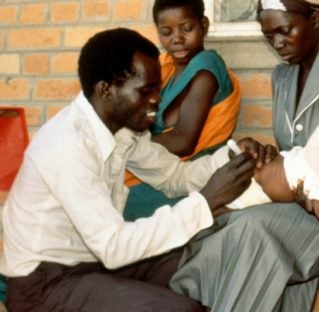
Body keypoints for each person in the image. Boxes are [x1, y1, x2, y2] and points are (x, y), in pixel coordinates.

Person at [0, 28, 270, 312]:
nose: (157, 100)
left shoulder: (123, 129)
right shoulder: (67, 144)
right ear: (106, 90)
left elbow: (173, 177)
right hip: (43, 285)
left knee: (204, 260)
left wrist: (230, 158)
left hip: (94, 264)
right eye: (146, 90)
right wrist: (207, 201)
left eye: (157, 88)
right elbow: (113, 245)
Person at [169, 1, 319, 310]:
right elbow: (294, 148)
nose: (277, 43)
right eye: (268, 35)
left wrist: (314, 193)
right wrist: (273, 159)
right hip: (302, 191)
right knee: (221, 220)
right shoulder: (283, 77)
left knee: (253, 230)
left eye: (285, 31)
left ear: (315, 19)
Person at [123, 0, 242, 221]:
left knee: (119, 205)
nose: (177, 39)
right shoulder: (164, 69)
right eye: (166, 32)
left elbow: (184, 140)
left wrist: (125, 145)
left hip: (196, 171)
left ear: (203, 25)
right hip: (160, 167)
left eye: (186, 29)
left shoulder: (207, 67)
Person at [214, 120, 319, 242]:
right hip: (256, 186)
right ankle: (209, 213)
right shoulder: (317, 181)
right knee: (227, 210)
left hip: (273, 165)